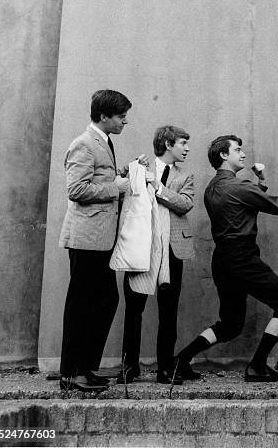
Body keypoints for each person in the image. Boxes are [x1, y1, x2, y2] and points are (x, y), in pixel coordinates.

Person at [175, 135, 278, 382]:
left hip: (223, 259)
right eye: (238, 150)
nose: (243, 154)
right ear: (223, 155)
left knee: (230, 324)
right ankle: (257, 365)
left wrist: (261, 181)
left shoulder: (214, 187)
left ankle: (181, 360)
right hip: (242, 257)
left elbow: (245, 204)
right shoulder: (237, 186)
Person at [58, 89, 142, 391]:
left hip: (100, 239)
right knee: (82, 303)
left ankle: (85, 367)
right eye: (121, 116)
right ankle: (71, 373)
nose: (125, 121)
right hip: (86, 238)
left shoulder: (102, 141)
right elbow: (77, 190)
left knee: (105, 299)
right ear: (104, 116)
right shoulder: (84, 144)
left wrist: (121, 174)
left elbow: (98, 178)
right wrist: (116, 186)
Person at [118, 126, 196, 385]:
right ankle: (129, 367)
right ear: (167, 143)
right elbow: (123, 197)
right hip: (142, 248)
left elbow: (185, 204)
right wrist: (129, 172)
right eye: (183, 143)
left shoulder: (185, 176)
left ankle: (165, 368)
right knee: (133, 310)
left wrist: (158, 186)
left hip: (171, 251)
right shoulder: (140, 169)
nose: (186, 148)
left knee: (168, 312)